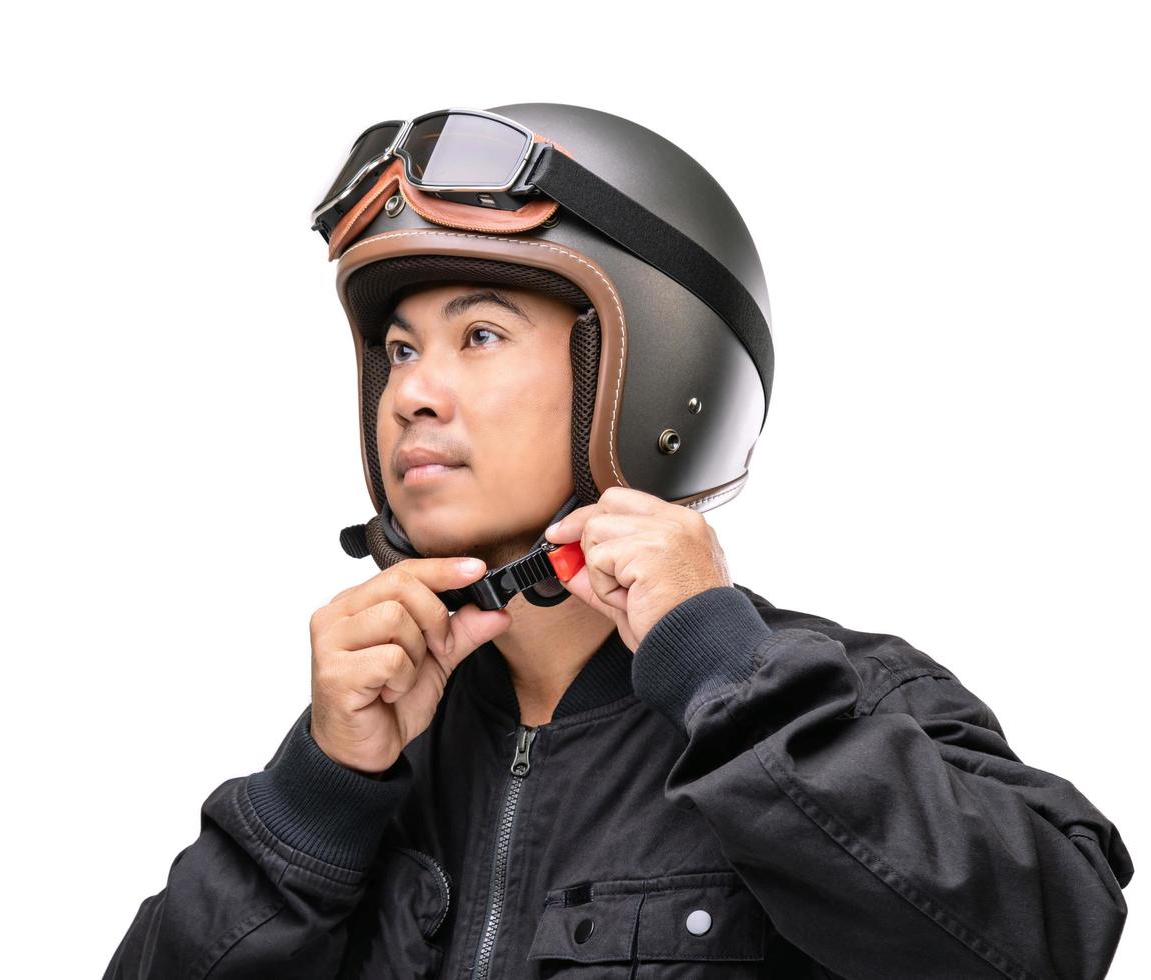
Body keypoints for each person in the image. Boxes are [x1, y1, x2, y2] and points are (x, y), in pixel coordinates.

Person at [101, 104, 1133, 979]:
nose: (411, 390)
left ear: (648, 371)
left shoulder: (840, 699)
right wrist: (319, 794)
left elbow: (1051, 935)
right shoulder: (380, 742)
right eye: (401, 348)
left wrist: (724, 673)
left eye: (481, 334)